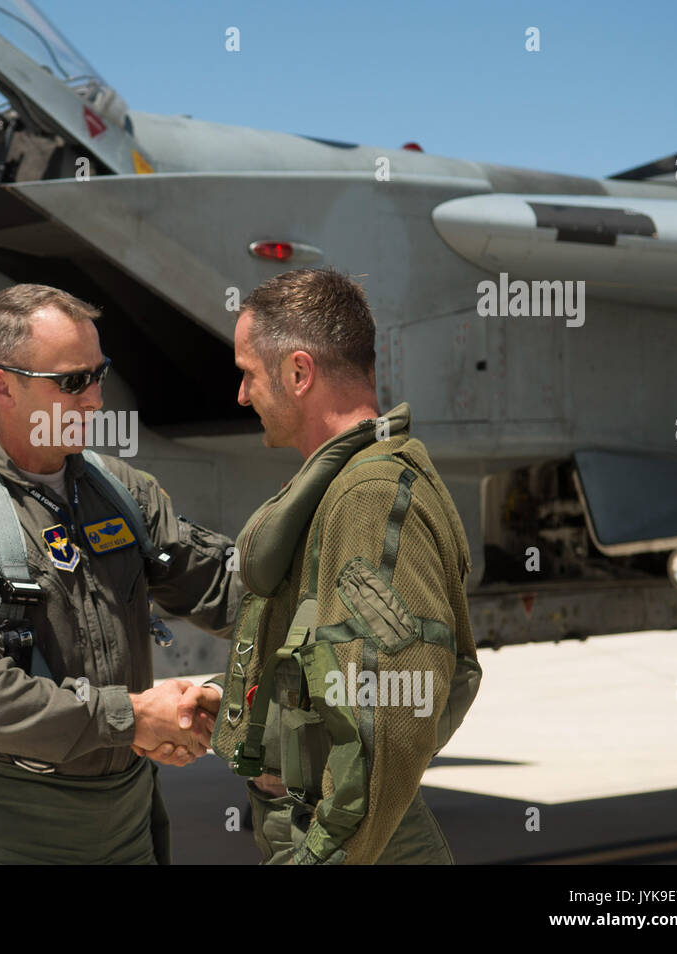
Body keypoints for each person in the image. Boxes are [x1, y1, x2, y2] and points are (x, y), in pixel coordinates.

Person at [0, 283, 241, 865]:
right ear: (2, 385)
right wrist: (132, 717)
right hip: (13, 830)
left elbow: (226, 588)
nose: (97, 400)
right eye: (73, 381)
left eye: (99, 374)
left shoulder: (123, 494)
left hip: (125, 822)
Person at [206, 267, 482, 864]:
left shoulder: (369, 497)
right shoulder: (343, 485)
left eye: (248, 374)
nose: (241, 394)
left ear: (299, 372)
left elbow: (387, 720)